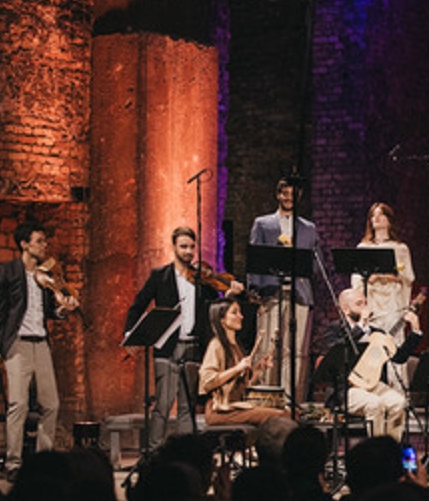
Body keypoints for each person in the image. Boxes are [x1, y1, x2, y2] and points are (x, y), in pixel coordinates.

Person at [125, 226, 241, 448]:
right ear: (174, 247)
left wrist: (229, 293)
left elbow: (215, 306)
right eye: (183, 247)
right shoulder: (160, 276)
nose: (188, 251)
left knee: (188, 405)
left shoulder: (201, 279)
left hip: (192, 347)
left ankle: (186, 452)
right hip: (167, 347)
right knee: (164, 403)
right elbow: (138, 305)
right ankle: (155, 450)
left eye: (191, 247)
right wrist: (130, 334)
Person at [0, 220, 79, 478]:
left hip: (41, 343)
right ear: (24, 244)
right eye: (39, 241)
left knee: (51, 403)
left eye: (44, 241)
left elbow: (51, 311)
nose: (44, 245)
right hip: (17, 343)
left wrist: (64, 308)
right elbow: (0, 314)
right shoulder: (8, 271)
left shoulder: (45, 276)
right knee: (18, 404)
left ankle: (43, 462)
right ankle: (14, 464)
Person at [247, 177, 317, 402]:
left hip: (299, 294)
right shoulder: (263, 223)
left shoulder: (308, 228)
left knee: (294, 351)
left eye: (293, 194)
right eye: (284, 193)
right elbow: (254, 258)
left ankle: (289, 399)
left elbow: (315, 263)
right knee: (269, 347)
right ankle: (265, 397)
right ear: (278, 195)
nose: (288, 198)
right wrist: (254, 290)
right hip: (271, 293)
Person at [332, 288, 422, 441]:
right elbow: (340, 351)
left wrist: (415, 330)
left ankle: (392, 449)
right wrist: (361, 326)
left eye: (365, 303)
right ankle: (377, 453)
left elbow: (399, 357)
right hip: (347, 388)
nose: (365, 308)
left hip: (374, 385)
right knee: (375, 404)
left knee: (399, 402)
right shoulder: (335, 330)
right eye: (359, 304)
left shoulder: (376, 331)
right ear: (345, 309)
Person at [198, 299, 292, 435]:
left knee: (289, 412)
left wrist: (260, 368)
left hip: (236, 406)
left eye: (240, 312)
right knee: (280, 416)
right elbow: (207, 382)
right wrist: (237, 368)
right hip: (220, 410)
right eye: (234, 313)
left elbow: (242, 385)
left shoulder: (235, 347)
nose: (241, 317)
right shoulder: (216, 345)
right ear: (222, 319)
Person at [351, 202, 415, 337]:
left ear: (389, 221)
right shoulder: (363, 248)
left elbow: (407, 277)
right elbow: (356, 279)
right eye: (373, 216)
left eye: (381, 215)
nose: (376, 218)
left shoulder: (400, 248)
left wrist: (384, 276)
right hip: (372, 298)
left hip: (392, 300)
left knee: (392, 338)